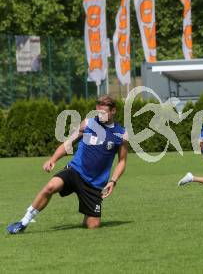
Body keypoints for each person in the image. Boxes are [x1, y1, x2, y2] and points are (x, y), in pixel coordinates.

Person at [7, 95, 128, 234]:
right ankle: (24, 221)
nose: (99, 115)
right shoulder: (88, 124)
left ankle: (88, 214)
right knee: (50, 187)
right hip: (75, 171)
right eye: (97, 112)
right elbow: (68, 144)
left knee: (92, 226)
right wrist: (53, 159)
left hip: (94, 184)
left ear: (113, 111)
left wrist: (113, 181)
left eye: (103, 112)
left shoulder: (121, 134)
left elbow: (122, 161)